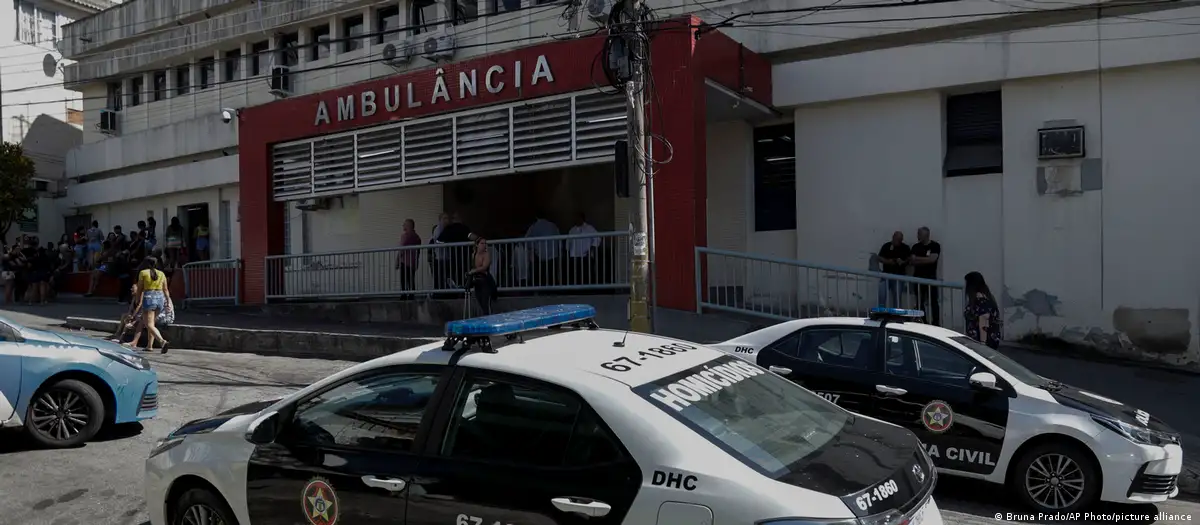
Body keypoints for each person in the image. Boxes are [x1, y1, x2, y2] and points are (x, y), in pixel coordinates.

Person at [127, 257, 171, 353]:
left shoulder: (143, 273)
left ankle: (162, 341)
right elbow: (166, 289)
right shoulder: (161, 273)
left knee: (148, 324)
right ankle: (149, 345)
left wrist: (138, 299)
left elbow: (140, 288)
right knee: (152, 324)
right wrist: (167, 300)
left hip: (149, 298)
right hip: (160, 298)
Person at [909, 226, 943, 326]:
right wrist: (925, 259)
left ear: (926, 235)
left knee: (933, 301)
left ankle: (936, 323)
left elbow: (932, 260)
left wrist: (918, 259)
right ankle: (923, 321)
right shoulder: (915, 247)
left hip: (931, 279)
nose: (917, 236)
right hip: (918, 278)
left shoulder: (935, 246)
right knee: (919, 301)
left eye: (919, 234)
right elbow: (911, 261)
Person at [964, 271, 1002, 349]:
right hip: (984, 340)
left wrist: (982, 344)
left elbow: (984, 321)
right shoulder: (986, 298)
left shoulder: (980, 300)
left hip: (982, 342)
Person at [876, 231, 910, 308]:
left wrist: (902, 262)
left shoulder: (905, 247)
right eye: (896, 239)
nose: (898, 241)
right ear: (893, 237)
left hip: (899, 276)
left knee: (897, 297)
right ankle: (881, 313)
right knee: (882, 295)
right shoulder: (886, 246)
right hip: (886, 275)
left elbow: (909, 260)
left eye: (900, 240)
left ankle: (897, 315)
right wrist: (888, 261)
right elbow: (879, 257)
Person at [466, 237, 496, 315]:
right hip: (477, 280)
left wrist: (474, 270)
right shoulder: (474, 254)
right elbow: (472, 266)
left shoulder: (486, 255)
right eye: (482, 243)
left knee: (485, 302)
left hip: (485, 280)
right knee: (480, 301)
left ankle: (489, 318)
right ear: (477, 245)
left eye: (485, 243)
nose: (484, 245)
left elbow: (484, 267)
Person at [395, 219, 421, 293]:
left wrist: (397, 261)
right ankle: (411, 295)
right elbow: (418, 251)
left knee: (403, 280)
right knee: (411, 280)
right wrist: (417, 262)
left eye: (404, 224)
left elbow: (401, 249)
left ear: (408, 226)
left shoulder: (405, 236)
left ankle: (403, 295)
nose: (403, 226)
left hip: (405, 262)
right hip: (412, 262)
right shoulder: (417, 237)